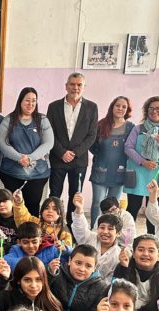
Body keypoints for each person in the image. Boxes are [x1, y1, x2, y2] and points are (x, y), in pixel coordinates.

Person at [46, 73, 99, 227]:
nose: (75, 88)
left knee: (75, 196)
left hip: (79, 160)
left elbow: (92, 135)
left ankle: (71, 226)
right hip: (58, 158)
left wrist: (74, 153)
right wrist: (62, 152)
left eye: (79, 85)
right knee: (54, 194)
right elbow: (50, 133)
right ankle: (52, 225)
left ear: (83, 87)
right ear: (66, 86)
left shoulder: (92, 107)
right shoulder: (54, 106)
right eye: (72, 84)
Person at [123, 96, 159, 234]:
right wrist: (143, 162)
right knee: (132, 209)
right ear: (147, 111)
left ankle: (151, 242)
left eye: (158, 108)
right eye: (151, 108)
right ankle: (126, 242)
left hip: (158, 175)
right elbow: (128, 148)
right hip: (138, 172)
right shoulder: (138, 129)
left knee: (153, 212)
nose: (155, 111)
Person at [0, 87, 54, 214]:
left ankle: (32, 233)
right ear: (20, 101)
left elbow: (49, 143)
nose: (30, 104)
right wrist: (19, 158)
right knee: (12, 206)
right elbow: (1, 142)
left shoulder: (43, 120)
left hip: (38, 174)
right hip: (11, 173)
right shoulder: (9, 119)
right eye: (27, 100)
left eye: (34, 101)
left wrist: (30, 158)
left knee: (33, 205)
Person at [89, 96, 134, 225]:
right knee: (97, 203)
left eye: (124, 106)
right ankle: (94, 230)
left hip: (119, 173)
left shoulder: (130, 127)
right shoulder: (101, 125)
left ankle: (110, 232)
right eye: (117, 105)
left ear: (127, 110)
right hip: (100, 170)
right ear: (112, 107)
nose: (120, 108)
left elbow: (133, 148)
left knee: (113, 206)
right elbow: (92, 145)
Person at [71, 192, 122, 280]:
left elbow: (110, 279)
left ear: (118, 233)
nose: (105, 232)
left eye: (110, 229)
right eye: (102, 227)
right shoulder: (90, 237)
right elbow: (80, 228)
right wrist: (79, 209)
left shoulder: (118, 255)